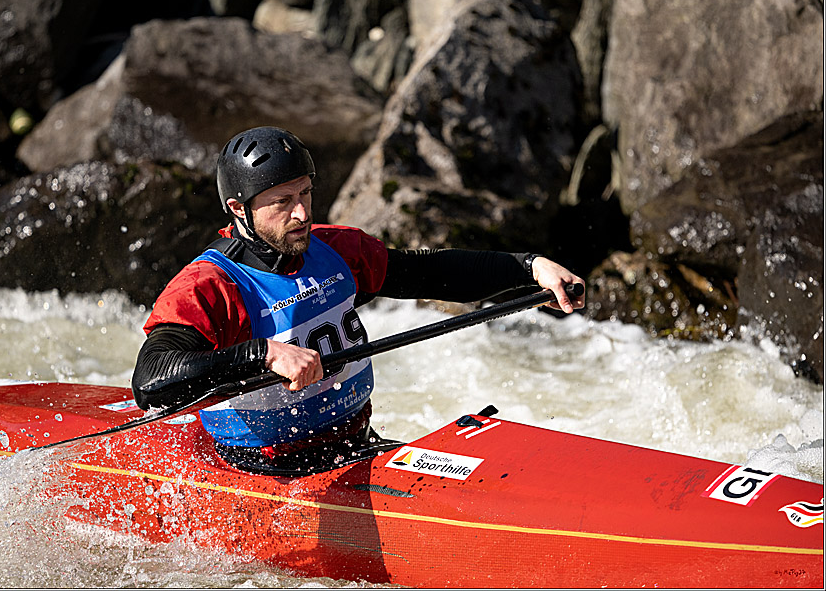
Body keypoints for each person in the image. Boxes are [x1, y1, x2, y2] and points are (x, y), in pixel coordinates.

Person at [133, 126, 584, 474]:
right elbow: (151, 380)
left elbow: (431, 272)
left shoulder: (337, 252)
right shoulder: (208, 286)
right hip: (263, 471)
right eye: (282, 201)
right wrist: (263, 353)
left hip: (356, 445)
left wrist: (528, 267)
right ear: (238, 209)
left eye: (306, 193)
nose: (302, 213)